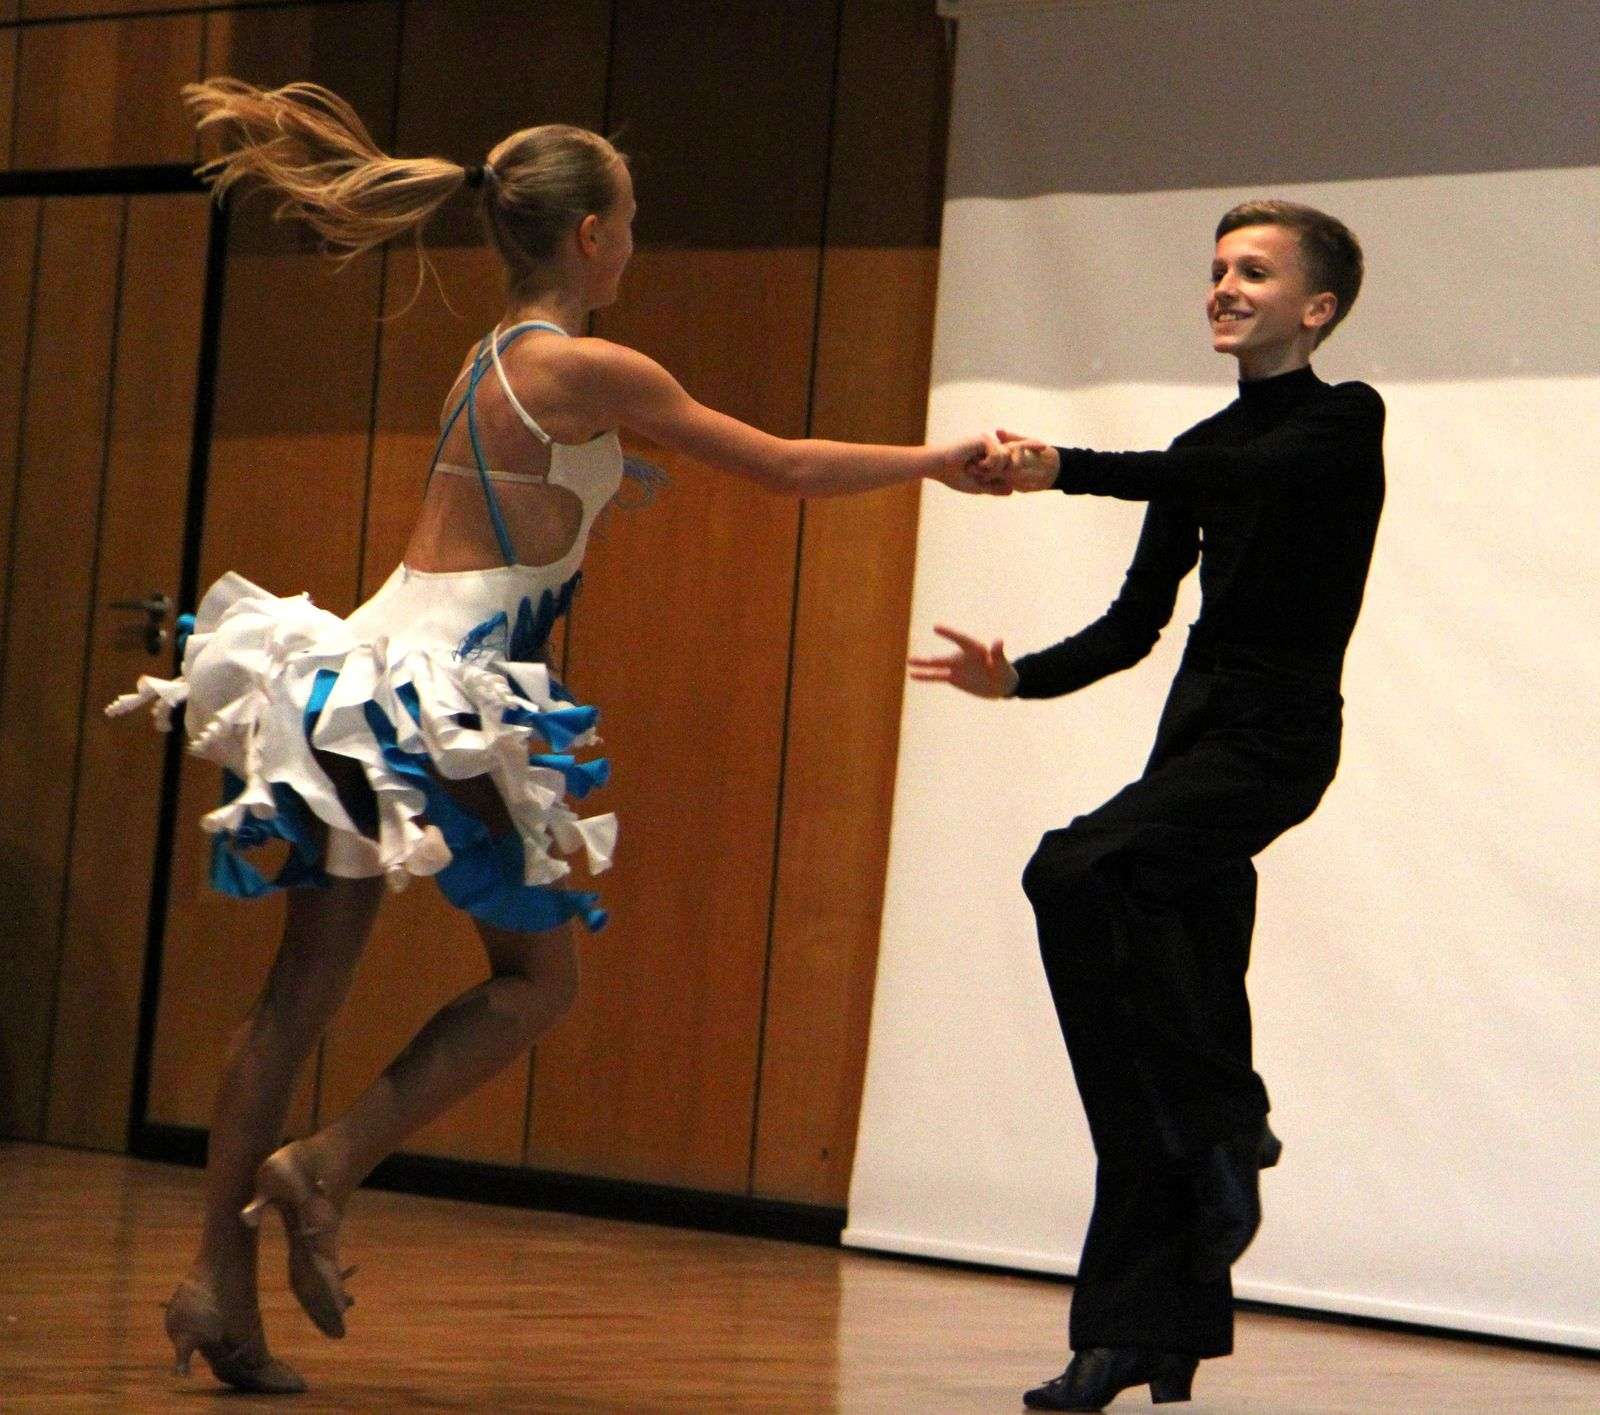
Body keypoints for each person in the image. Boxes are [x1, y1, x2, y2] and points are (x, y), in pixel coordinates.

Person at [110, 78, 1002, 1394]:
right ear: (590, 234)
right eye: (629, 220)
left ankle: (214, 1280)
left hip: (360, 669)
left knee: (301, 990)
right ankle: (326, 1163)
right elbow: (785, 465)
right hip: (439, 692)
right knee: (539, 981)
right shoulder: (583, 365)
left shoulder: (494, 356)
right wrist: (937, 459)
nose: (634, 242)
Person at [910, 200, 1383, 1411]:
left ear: (1316, 308)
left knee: (1073, 867)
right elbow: (1135, 624)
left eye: (1253, 271)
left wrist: (1063, 466)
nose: (1223, 286)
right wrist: (1017, 678)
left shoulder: (1341, 421)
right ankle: (1136, 1330)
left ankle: (1224, 1116)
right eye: (1217, 268)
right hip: (1194, 741)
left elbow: (1233, 473)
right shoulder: (1199, 446)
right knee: (1155, 1036)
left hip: (1273, 745)